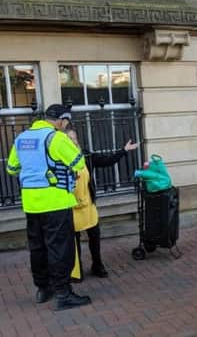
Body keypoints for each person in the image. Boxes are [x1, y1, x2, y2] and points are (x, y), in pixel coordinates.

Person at [5, 104, 91, 311]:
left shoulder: (21, 138)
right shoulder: (56, 137)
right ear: (62, 120)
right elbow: (78, 163)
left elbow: (11, 168)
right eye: (65, 122)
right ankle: (63, 293)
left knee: (38, 247)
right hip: (56, 202)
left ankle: (43, 289)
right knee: (60, 247)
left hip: (31, 204)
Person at [65, 128, 139, 281]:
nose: (73, 141)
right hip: (71, 207)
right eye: (69, 139)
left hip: (88, 205)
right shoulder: (61, 160)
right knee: (74, 240)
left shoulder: (86, 156)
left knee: (95, 236)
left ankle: (97, 265)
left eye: (75, 138)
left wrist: (123, 150)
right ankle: (75, 271)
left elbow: (107, 160)